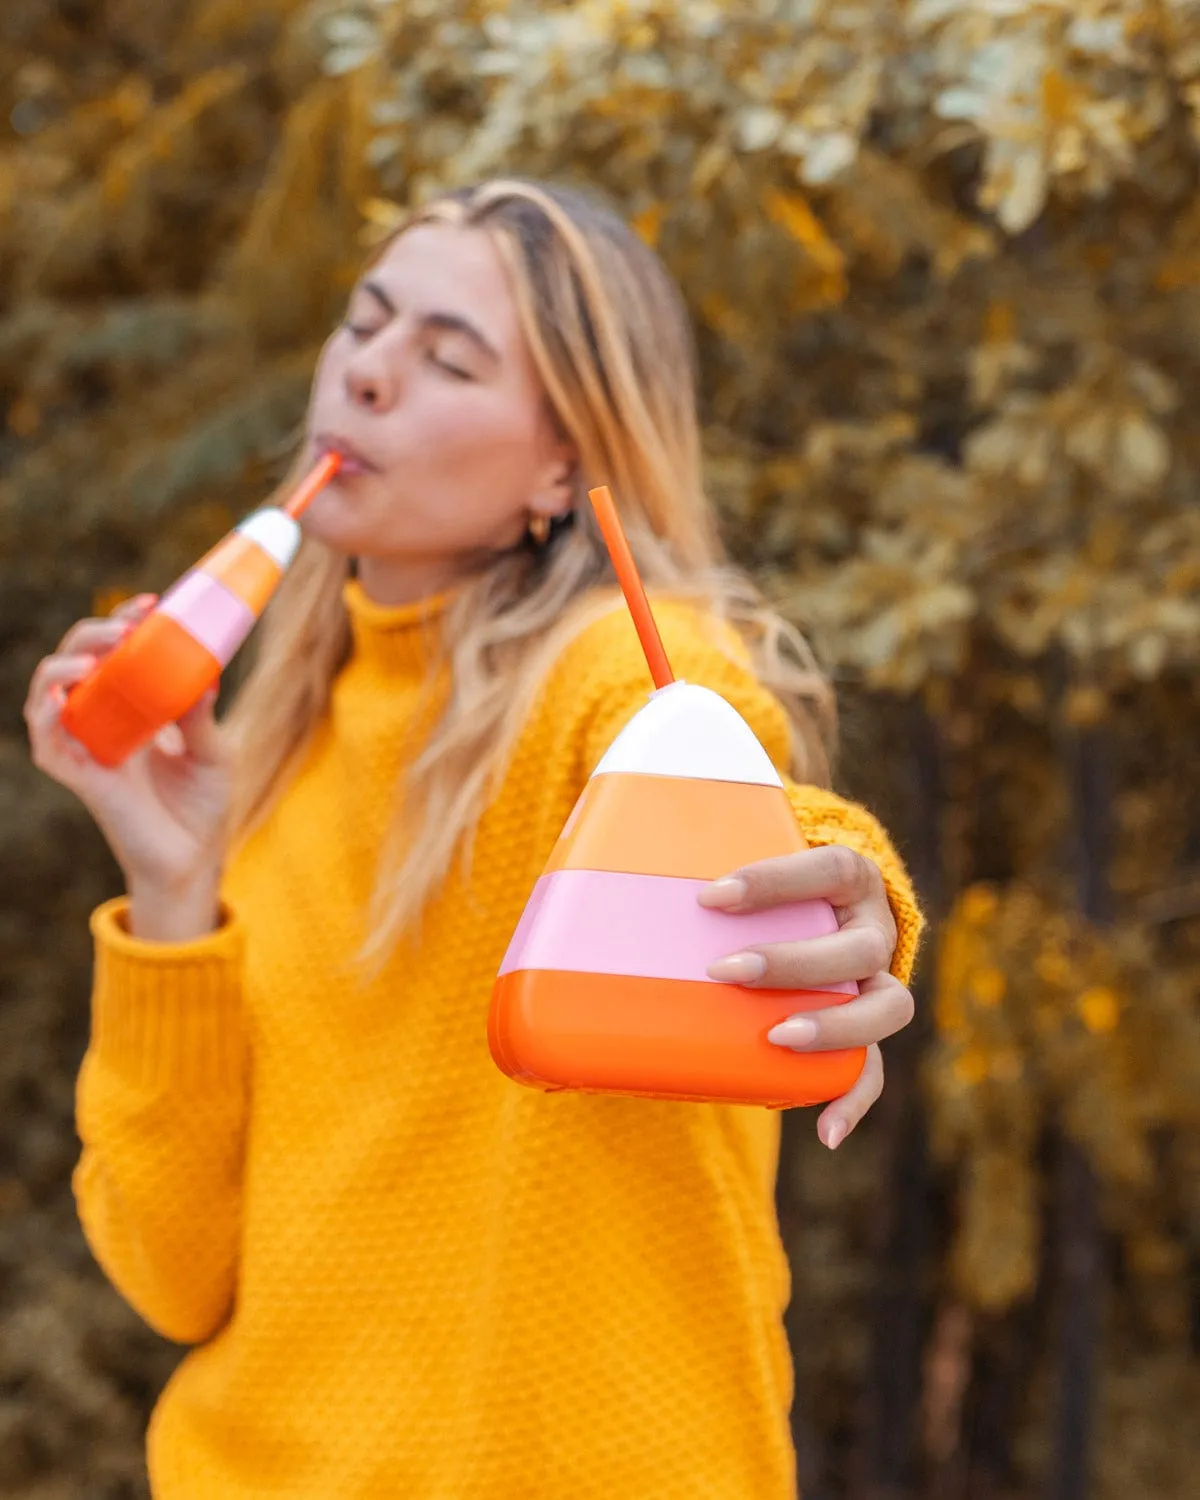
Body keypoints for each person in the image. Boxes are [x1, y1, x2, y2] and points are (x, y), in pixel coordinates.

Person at [24, 179, 923, 1499]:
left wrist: (854, 904)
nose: (370, 375)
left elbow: (725, 765)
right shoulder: (275, 756)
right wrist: (173, 889)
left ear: (565, 464)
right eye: (363, 324)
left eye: (448, 357)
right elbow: (171, 1275)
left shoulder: (612, 667)